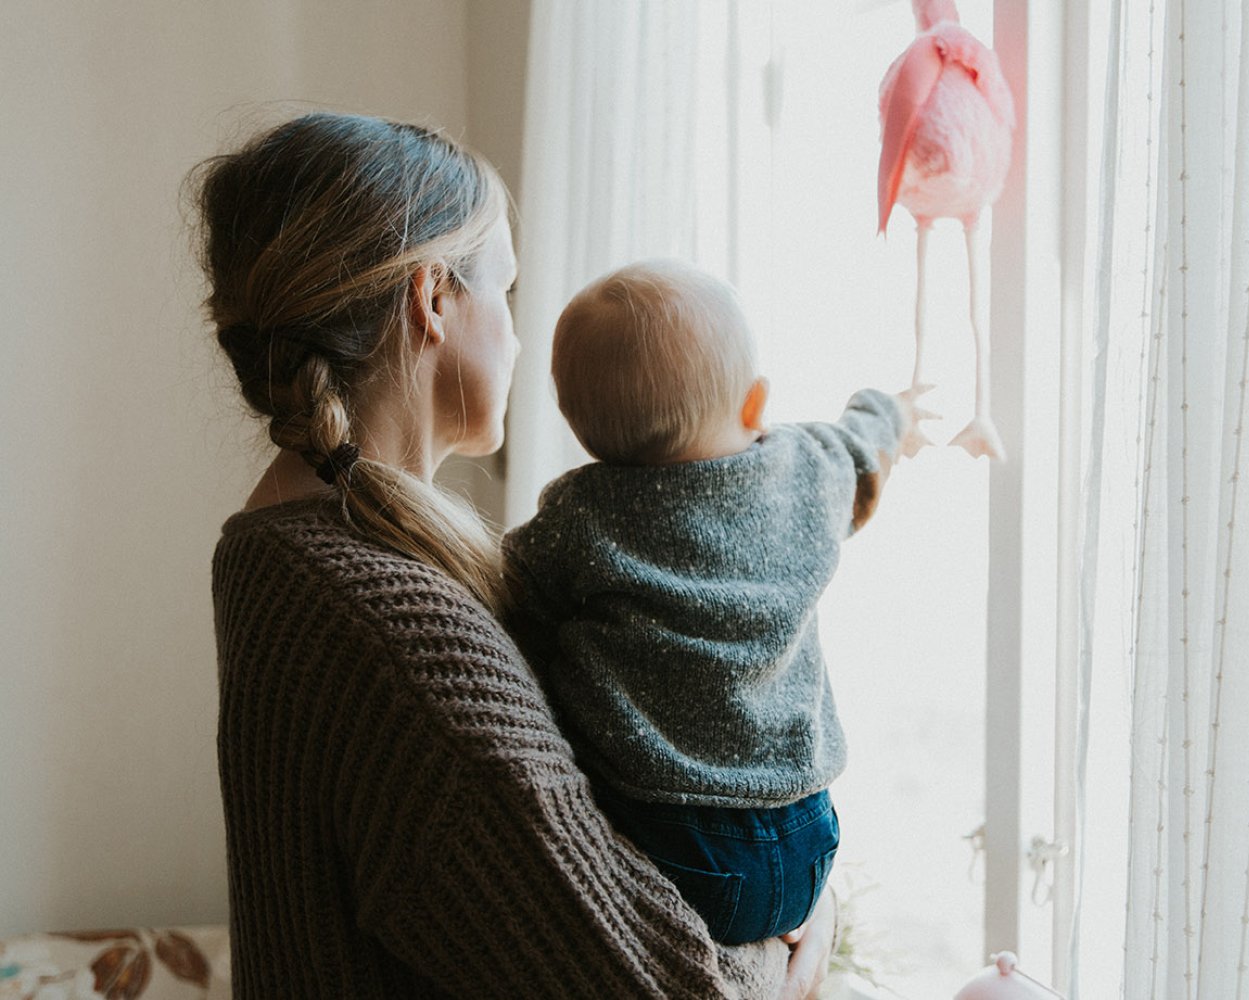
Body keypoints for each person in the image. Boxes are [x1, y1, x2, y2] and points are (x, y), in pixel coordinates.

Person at [199, 112, 833, 998]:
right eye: (506, 291)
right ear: (433, 300)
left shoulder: (279, 550)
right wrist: (801, 938)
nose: (521, 337)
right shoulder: (392, 628)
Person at [499, 260, 925, 946]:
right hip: (808, 838)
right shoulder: (803, 471)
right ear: (754, 404)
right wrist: (891, 409)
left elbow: (505, 592)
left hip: (671, 843)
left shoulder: (583, 514)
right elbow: (860, 450)